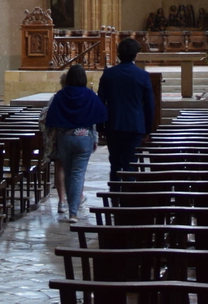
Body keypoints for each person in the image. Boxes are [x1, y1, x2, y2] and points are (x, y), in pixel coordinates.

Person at [43, 64, 106, 222]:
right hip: (84, 139)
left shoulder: (60, 95)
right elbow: (100, 115)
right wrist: (96, 137)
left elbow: (50, 119)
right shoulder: (89, 94)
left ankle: (70, 207)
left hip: (65, 138)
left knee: (69, 173)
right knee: (78, 173)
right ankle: (73, 212)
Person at [96, 37, 156, 182]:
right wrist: (148, 129)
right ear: (136, 55)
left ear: (118, 54)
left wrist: (100, 127)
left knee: (115, 164)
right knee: (131, 164)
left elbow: (100, 102)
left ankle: (115, 193)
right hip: (135, 125)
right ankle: (129, 194)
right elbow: (149, 104)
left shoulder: (109, 74)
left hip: (113, 124)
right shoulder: (143, 75)